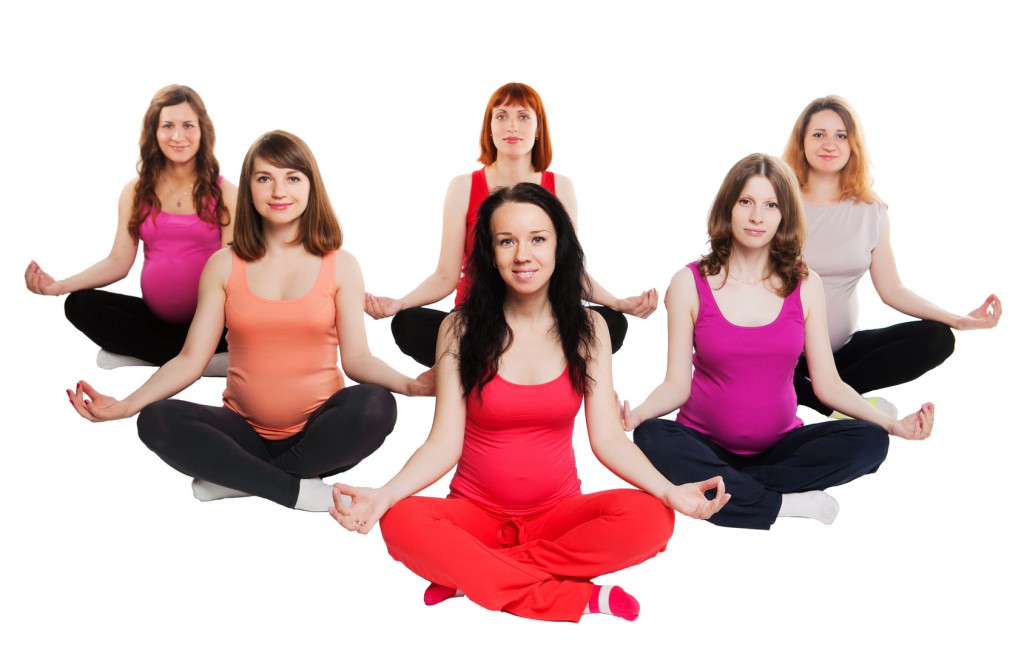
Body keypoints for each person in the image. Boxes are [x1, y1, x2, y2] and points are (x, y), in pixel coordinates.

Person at [331, 183, 728, 623]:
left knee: (654, 518)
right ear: (490, 253)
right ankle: (576, 598)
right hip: (474, 516)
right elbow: (443, 445)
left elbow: (610, 440)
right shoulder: (459, 330)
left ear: (559, 246)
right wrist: (385, 494)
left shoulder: (590, 330)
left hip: (558, 518)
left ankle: (477, 576)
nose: (523, 255)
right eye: (507, 241)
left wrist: (670, 491)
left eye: (538, 239)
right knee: (401, 520)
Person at [67, 131, 433, 511]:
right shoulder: (223, 265)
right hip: (240, 433)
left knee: (376, 404)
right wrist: (127, 405)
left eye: (292, 178)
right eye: (264, 178)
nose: (279, 191)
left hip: (319, 435)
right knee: (156, 419)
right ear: (250, 189)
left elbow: (357, 360)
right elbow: (191, 359)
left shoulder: (341, 265)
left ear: (311, 186)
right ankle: (292, 488)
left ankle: (243, 480)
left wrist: (409, 385)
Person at [623, 154, 934, 531]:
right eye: (746, 202)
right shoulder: (689, 282)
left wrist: (892, 424)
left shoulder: (806, 284)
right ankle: (783, 503)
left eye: (771, 205)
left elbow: (828, 384)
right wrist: (637, 414)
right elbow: (676, 385)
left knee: (871, 442)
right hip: (703, 444)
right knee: (651, 436)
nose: (757, 216)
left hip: (782, 449)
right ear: (728, 207)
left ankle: (732, 491)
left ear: (785, 215)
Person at [364, 82, 657, 366]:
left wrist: (617, 303)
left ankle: (505, 363)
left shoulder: (561, 187)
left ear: (538, 128)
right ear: (489, 128)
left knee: (611, 324)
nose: (512, 126)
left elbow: (569, 267)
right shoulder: (463, 187)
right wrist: (400, 303)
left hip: (543, 320)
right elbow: (445, 275)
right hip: (480, 319)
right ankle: (515, 361)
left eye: (523, 117)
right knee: (409, 323)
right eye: (502, 116)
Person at [781, 95, 1001, 417]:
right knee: (739, 357)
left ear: (853, 145)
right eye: (818, 134)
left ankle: (824, 396)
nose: (829, 144)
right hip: (781, 355)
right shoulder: (777, 203)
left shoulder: (871, 210)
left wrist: (956, 319)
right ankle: (832, 401)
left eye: (840, 135)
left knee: (938, 338)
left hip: (841, 354)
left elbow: (892, 289)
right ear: (801, 142)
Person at [26, 84, 238, 374]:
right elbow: (118, 262)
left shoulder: (226, 193)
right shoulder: (135, 192)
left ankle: (156, 354)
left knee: (247, 319)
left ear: (203, 130)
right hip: (155, 320)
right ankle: (192, 359)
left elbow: (232, 273)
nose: (178, 136)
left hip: (212, 320)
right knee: (78, 304)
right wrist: (60, 286)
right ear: (154, 131)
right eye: (168, 126)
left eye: (188, 125)